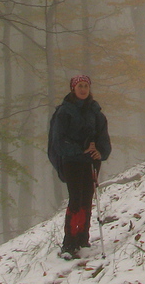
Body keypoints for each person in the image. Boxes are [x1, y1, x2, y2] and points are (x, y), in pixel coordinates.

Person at [47, 74, 111, 259]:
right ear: (73, 88)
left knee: (87, 198)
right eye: (80, 86)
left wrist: (100, 152)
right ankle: (69, 242)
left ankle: (83, 238)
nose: (83, 89)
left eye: (86, 86)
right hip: (72, 161)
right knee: (76, 198)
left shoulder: (96, 112)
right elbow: (58, 141)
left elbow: (103, 137)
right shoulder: (64, 112)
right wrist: (81, 149)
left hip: (91, 162)